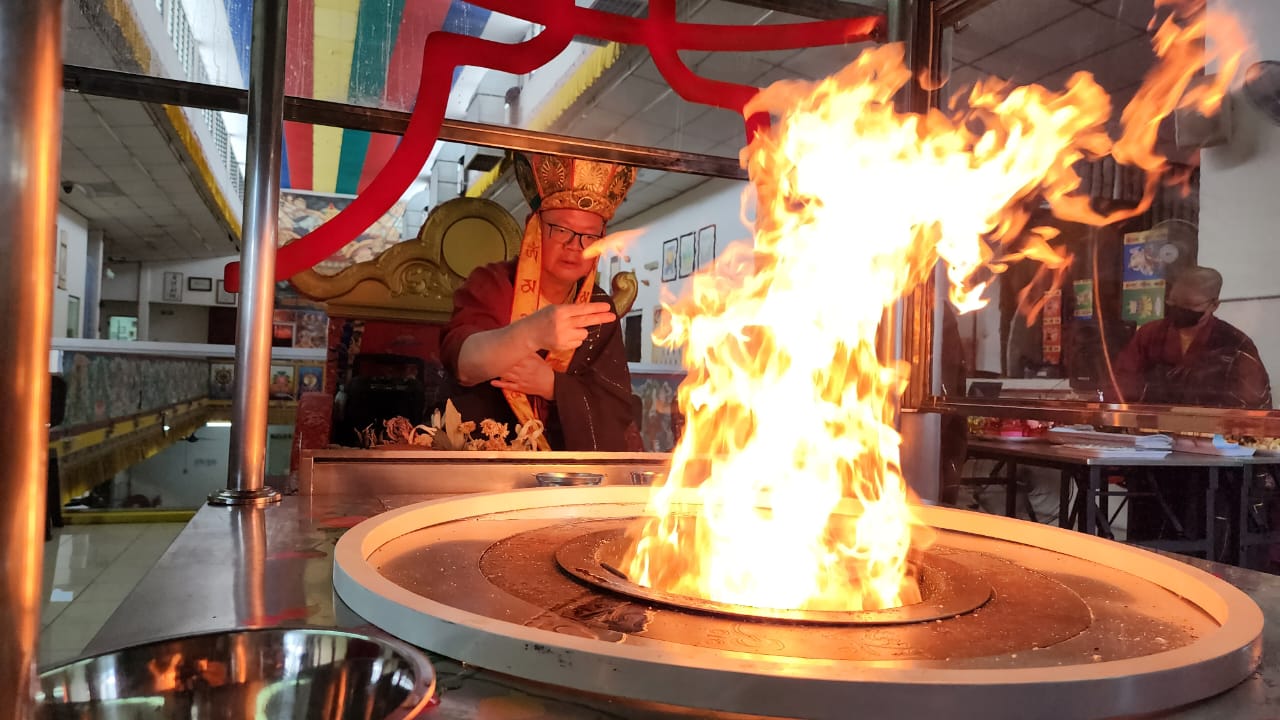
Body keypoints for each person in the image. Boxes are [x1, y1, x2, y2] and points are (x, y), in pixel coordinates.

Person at [440, 152, 642, 451]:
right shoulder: (494, 282)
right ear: (534, 228)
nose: (574, 246)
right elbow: (464, 366)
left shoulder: (598, 306)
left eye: (589, 236)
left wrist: (552, 385)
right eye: (561, 230)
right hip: (489, 457)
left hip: (564, 466)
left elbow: (615, 408)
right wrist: (531, 333)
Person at [1112, 266, 1271, 408]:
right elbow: (1121, 382)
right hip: (1153, 426)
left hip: (1212, 428)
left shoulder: (1235, 344)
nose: (1180, 310)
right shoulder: (1150, 334)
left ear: (1214, 305)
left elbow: (1254, 403)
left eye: (1189, 305)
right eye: (1173, 302)